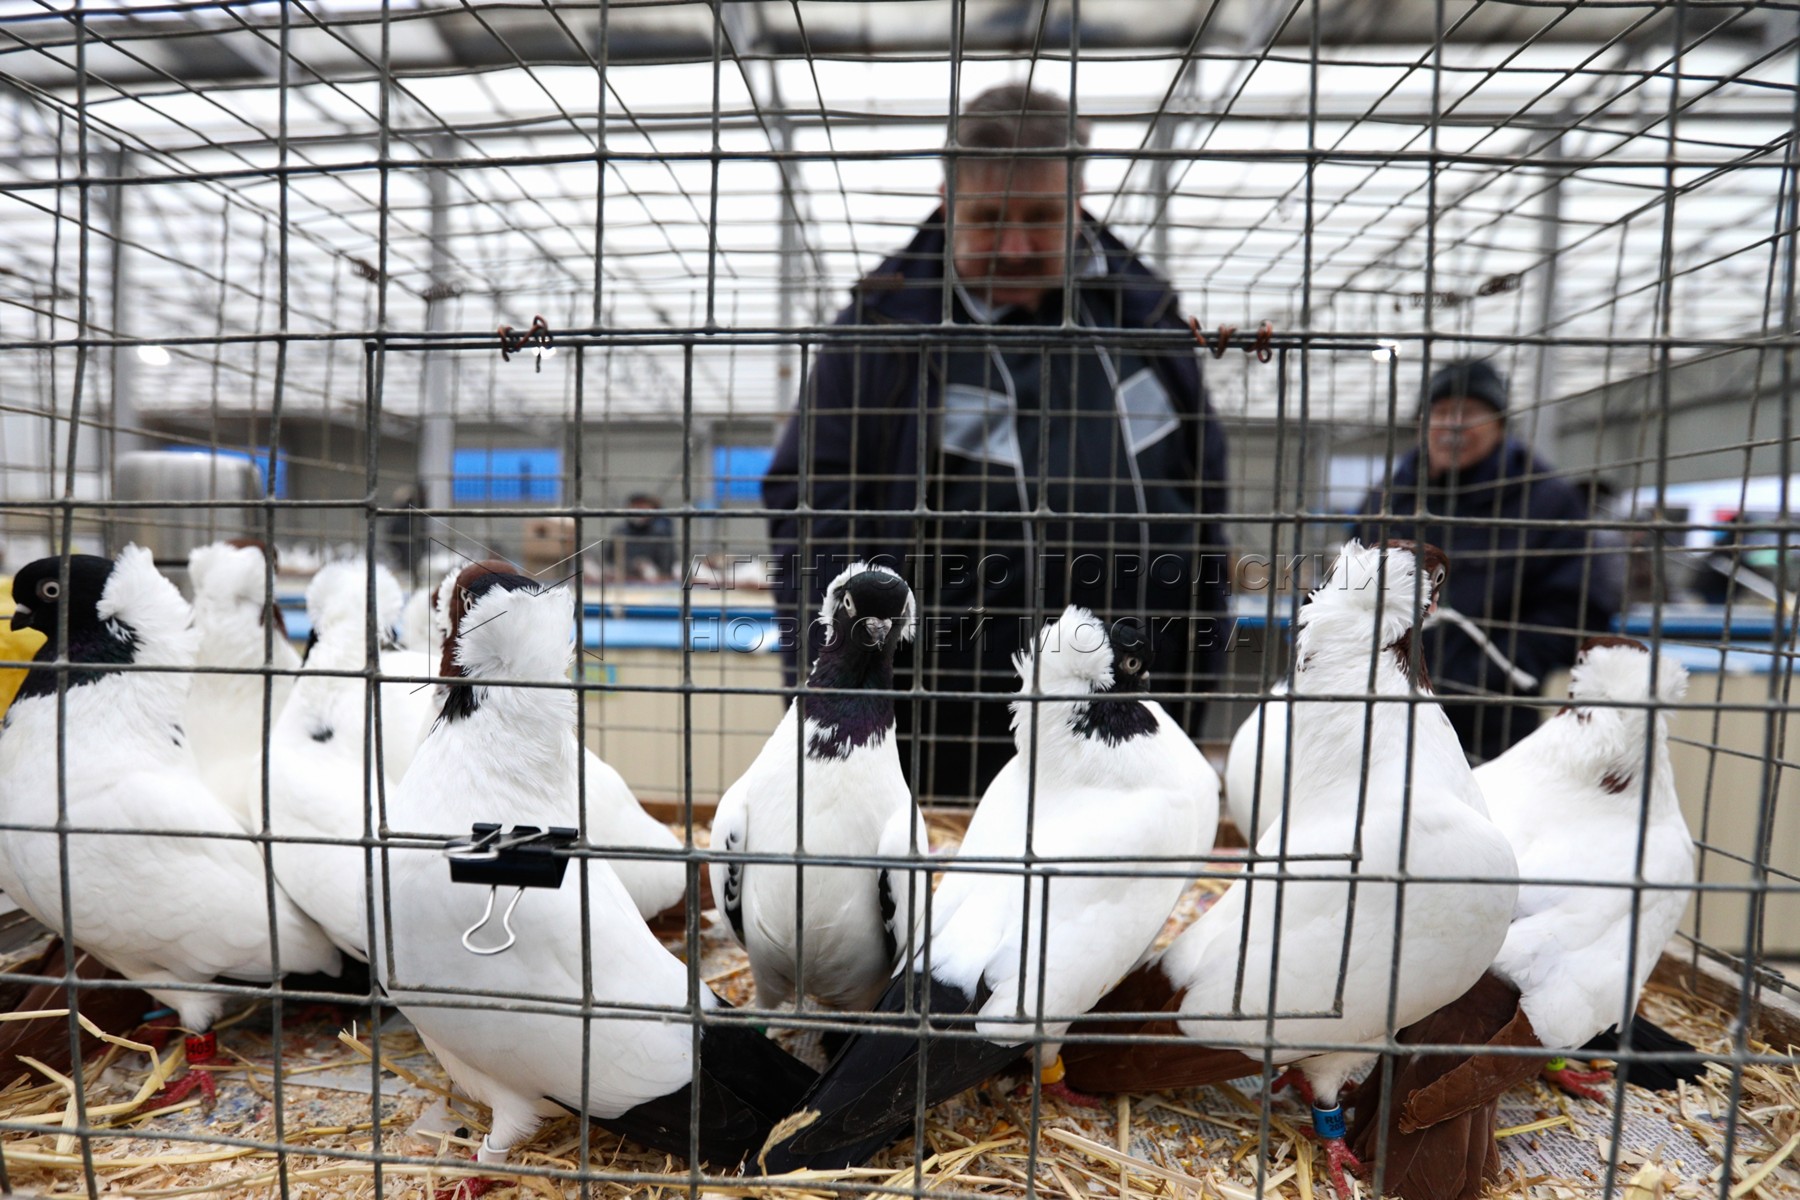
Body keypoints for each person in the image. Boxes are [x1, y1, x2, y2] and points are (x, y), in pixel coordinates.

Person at [763, 84, 1231, 802]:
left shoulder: (1147, 319)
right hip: (943, 728)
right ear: (947, 198)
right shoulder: (882, 330)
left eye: (1042, 218)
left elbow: (1204, 500)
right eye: (988, 220)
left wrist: (1197, 678)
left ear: (1080, 197)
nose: (1015, 247)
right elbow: (813, 511)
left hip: (1131, 705)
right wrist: (830, 696)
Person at [1354, 359, 1620, 763]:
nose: (1453, 426)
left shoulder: (1544, 500)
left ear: (1500, 422)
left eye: (1470, 412)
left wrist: (1498, 669)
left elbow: (1578, 605)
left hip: (1494, 722)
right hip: (1386, 711)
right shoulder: (1390, 498)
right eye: (1441, 412)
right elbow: (1349, 582)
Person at [610, 493, 677, 582]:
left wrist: (653, 571)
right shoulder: (620, 531)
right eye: (635, 507)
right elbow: (610, 558)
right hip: (625, 579)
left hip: (655, 581)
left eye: (642, 507)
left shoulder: (661, 532)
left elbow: (667, 562)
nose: (638, 511)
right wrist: (634, 565)